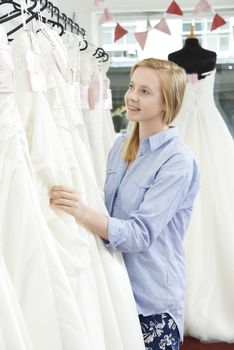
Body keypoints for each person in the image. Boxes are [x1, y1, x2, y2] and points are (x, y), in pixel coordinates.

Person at [50, 58, 200, 350]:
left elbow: (140, 234)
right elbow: (109, 211)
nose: (131, 96)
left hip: (152, 301)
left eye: (145, 91)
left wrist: (81, 212)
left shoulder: (178, 161)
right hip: (114, 288)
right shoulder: (120, 147)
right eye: (132, 86)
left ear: (166, 103)